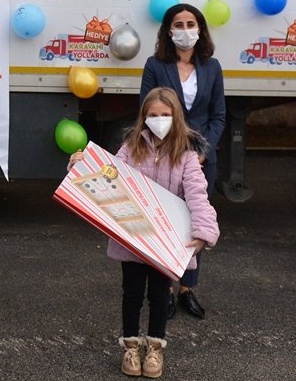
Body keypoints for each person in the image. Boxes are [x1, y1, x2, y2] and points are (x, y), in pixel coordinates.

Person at [70, 87, 219, 379]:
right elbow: (109, 175)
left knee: (160, 295)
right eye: (153, 115)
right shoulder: (131, 146)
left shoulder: (187, 155)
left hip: (166, 241)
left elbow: (198, 195)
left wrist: (204, 230)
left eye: (165, 115)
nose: (159, 120)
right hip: (133, 237)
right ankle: (129, 346)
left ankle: (154, 348)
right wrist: (81, 164)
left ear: (176, 117)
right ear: (144, 117)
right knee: (132, 294)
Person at [139, 3, 225, 320]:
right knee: (164, 222)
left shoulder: (212, 67)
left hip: (202, 160)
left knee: (194, 223)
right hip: (165, 158)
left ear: (200, 28)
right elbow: (146, 111)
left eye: (191, 23)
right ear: (168, 30)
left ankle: (188, 288)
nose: (185, 29)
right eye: (179, 24)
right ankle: (165, 290)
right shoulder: (154, 65)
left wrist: (202, 151)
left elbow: (218, 116)